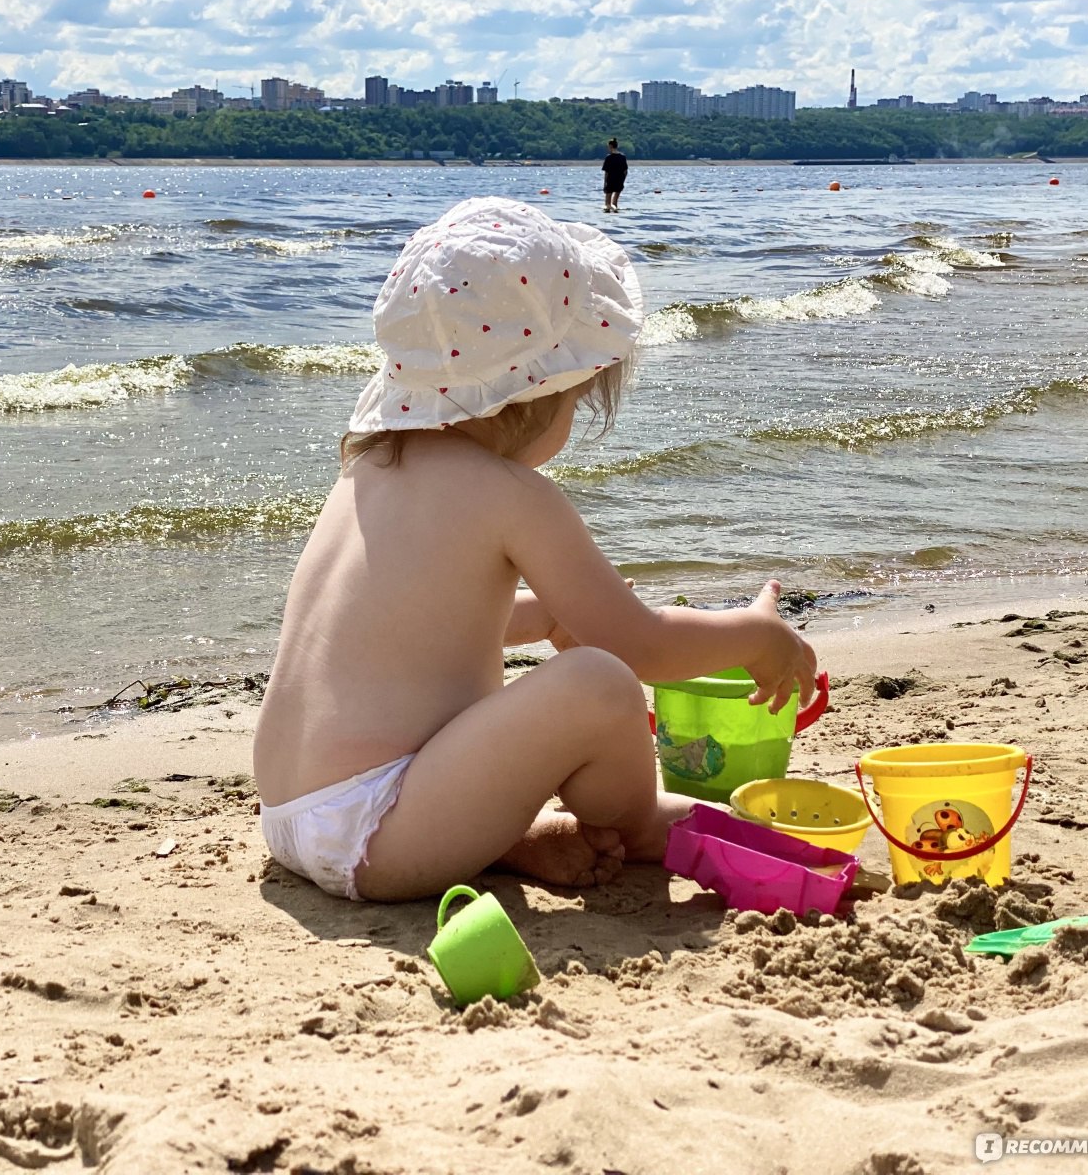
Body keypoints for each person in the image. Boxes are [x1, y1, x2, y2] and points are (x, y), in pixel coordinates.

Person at [252, 197, 818, 902]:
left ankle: (500, 842)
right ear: (531, 398)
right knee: (599, 679)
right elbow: (641, 644)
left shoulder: (369, 468)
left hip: (288, 811)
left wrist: (541, 618)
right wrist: (756, 637)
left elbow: (420, 626)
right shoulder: (511, 495)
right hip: (380, 832)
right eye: (576, 400)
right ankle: (636, 824)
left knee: (570, 658)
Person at [602, 138, 628, 213]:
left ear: (610, 146)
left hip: (610, 181)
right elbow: (625, 171)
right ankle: (615, 213)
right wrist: (622, 181)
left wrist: (605, 184)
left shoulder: (608, 158)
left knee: (607, 204)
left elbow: (606, 173)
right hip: (619, 181)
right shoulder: (623, 157)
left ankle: (608, 216)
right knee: (615, 203)